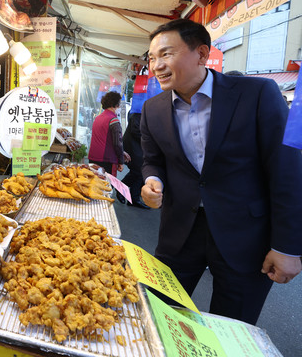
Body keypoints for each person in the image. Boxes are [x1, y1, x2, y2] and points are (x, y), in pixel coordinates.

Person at [140, 18, 302, 324]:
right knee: (158, 314)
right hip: (179, 231)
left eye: (166, 54)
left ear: (201, 54)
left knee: (232, 326)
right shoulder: (153, 109)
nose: (156, 65)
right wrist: (152, 180)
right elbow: (153, 160)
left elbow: (287, 171)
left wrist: (288, 247)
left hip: (246, 235)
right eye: (151, 58)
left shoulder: (257, 94)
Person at [88, 91, 130, 177]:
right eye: (119, 104)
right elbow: (117, 143)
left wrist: (122, 152)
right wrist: (121, 161)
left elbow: (106, 139)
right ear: (115, 104)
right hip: (107, 160)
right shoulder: (113, 120)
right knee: (106, 186)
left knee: (93, 184)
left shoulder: (98, 118)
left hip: (93, 158)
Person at [117, 101, 150, 209]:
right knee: (137, 171)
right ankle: (121, 190)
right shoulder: (137, 113)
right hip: (133, 146)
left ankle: (134, 199)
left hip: (136, 146)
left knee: (139, 173)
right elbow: (136, 131)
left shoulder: (140, 112)